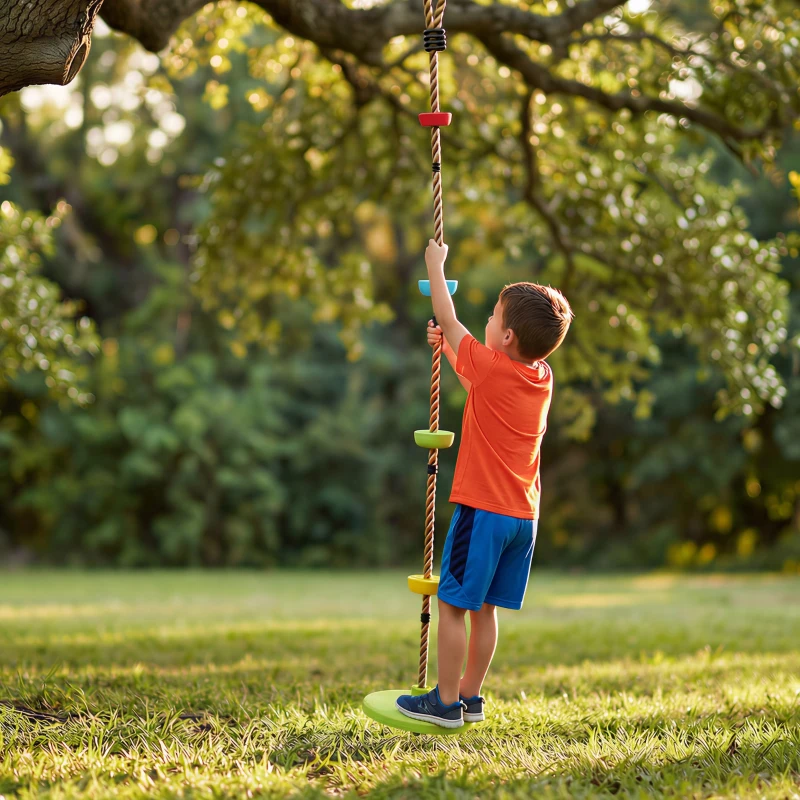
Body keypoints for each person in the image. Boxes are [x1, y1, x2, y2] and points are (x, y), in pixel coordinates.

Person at [396, 239, 573, 729]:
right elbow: (480, 385)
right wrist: (452, 350)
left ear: (509, 335)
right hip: (523, 519)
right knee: (485, 610)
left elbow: (451, 322)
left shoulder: (495, 365)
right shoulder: (541, 377)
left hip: (485, 512)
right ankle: (471, 697)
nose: (488, 322)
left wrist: (435, 265)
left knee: (452, 607)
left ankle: (445, 703)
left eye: (494, 317)